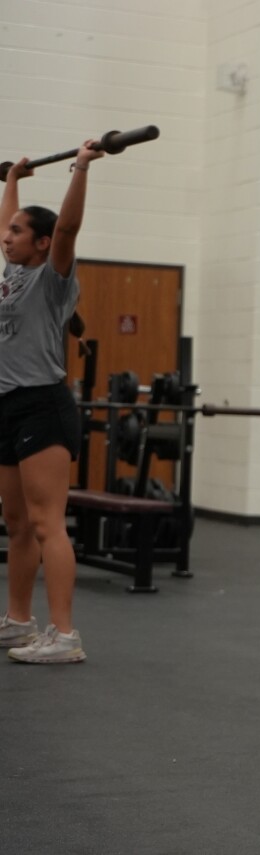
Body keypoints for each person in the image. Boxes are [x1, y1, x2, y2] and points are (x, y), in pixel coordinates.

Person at [0, 141, 103, 664]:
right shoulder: (12, 276)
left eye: (18, 232)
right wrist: (12, 180)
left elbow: (66, 228)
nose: (6, 238)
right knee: (16, 524)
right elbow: (8, 225)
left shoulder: (52, 277)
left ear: (41, 243)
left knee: (46, 523)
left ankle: (64, 635)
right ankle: (19, 621)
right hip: (7, 407)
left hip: (43, 404)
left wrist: (80, 166)